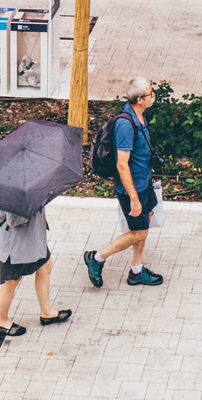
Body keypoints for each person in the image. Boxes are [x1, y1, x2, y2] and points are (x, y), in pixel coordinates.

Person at [83, 77, 163, 288]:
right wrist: (134, 198)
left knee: (143, 226)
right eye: (150, 93)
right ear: (139, 99)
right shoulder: (125, 125)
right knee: (140, 231)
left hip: (143, 182)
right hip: (132, 188)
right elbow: (122, 164)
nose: (153, 96)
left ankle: (136, 270)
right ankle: (97, 258)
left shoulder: (139, 116)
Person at [0, 204, 72, 337]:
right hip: (15, 244)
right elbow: (13, 220)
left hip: (33, 238)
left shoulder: (26, 185)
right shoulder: (14, 191)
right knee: (11, 281)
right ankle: (1, 321)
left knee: (45, 266)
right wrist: (33, 207)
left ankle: (46, 312)